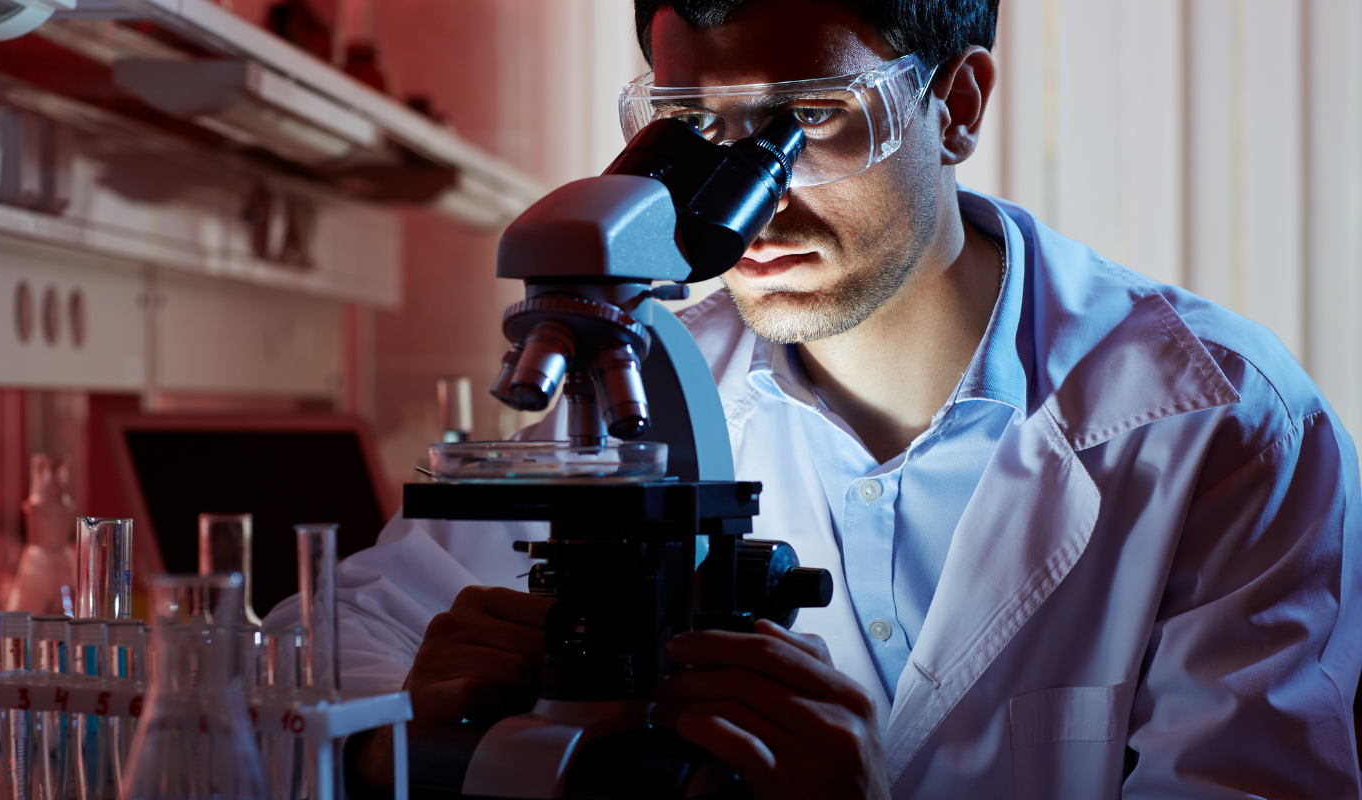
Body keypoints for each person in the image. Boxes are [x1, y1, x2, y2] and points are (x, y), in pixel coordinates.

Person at [267, 0, 1362, 795]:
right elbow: (312, 648)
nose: (754, 204)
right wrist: (397, 713)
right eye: (694, 124)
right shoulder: (644, 380)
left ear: (957, 102)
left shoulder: (1224, 424)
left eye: (814, 118)